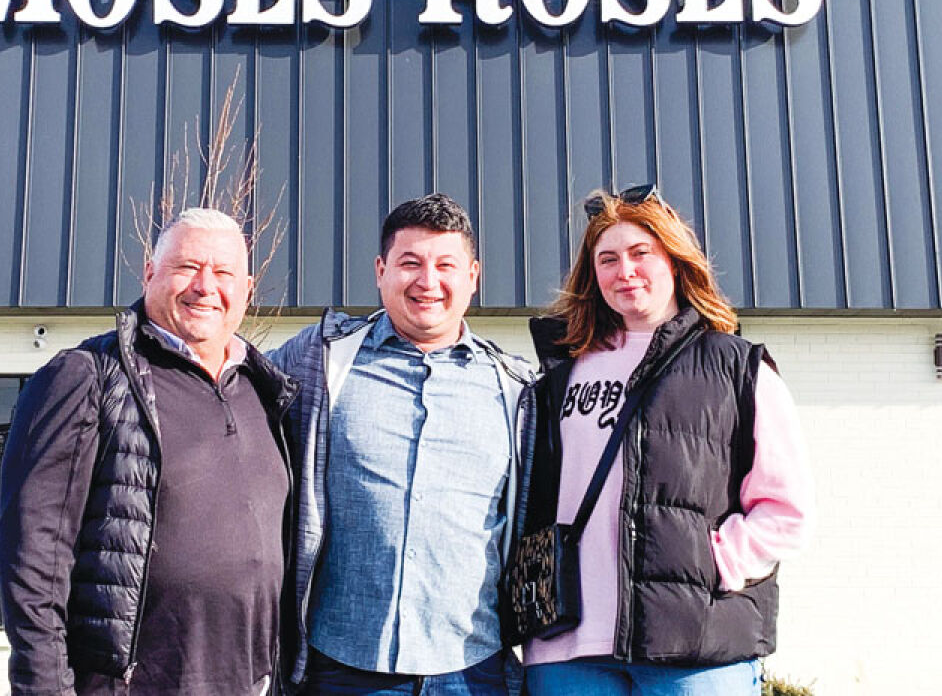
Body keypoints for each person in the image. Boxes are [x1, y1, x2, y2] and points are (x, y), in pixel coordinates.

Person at [517, 185, 814, 696]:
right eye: (606, 259)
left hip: (694, 646)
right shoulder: (557, 375)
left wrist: (717, 564)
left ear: (675, 262)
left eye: (640, 254)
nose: (624, 270)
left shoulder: (738, 368)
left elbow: (787, 510)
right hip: (566, 648)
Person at [0, 208, 298, 696]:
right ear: (150, 273)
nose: (205, 286)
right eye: (187, 267)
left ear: (245, 289)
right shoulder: (87, 377)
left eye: (222, 273)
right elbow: (33, 559)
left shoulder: (263, 391)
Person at [266, 193, 535, 695]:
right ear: (380, 270)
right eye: (410, 263)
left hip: (473, 669)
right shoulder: (322, 360)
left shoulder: (517, 389)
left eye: (445, 265)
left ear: (472, 276)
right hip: (344, 665)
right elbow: (223, 386)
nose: (427, 281)